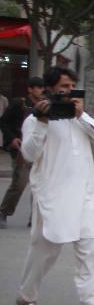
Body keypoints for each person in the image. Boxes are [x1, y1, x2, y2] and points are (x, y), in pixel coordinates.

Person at [15, 67, 94, 305]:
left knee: (90, 247)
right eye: (64, 87)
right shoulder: (34, 120)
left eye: (72, 86)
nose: (69, 91)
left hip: (84, 193)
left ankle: (91, 302)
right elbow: (29, 154)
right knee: (45, 248)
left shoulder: (79, 118)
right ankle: (26, 296)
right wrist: (42, 122)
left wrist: (81, 116)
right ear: (50, 89)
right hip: (52, 194)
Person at [0, 77, 44, 229]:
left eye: (42, 87)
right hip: (21, 150)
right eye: (37, 87)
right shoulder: (19, 103)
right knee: (19, 183)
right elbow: (3, 121)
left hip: (39, 150)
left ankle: (35, 217)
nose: (40, 90)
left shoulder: (44, 105)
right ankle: (3, 212)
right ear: (30, 89)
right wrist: (12, 138)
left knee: (38, 185)